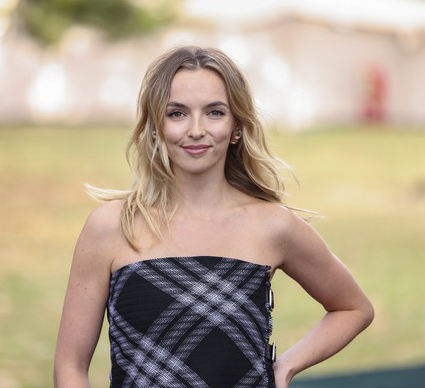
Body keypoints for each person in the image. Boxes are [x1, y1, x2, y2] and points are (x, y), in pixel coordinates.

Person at [53, 45, 374, 388]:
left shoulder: (272, 225)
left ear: (237, 126)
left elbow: (354, 308)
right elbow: (70, 366)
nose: (195, 129)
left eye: (214, 112)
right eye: (177, 113)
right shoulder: (111, 227)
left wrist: (285, 367)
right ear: (156, 126)